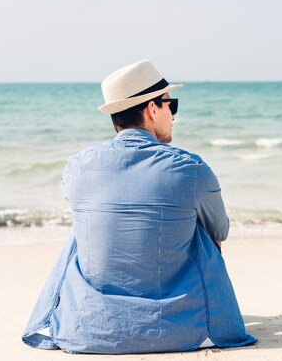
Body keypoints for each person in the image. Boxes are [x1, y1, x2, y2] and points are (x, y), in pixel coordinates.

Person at [22, 60, 256, 354]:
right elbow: (219, 232)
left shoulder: (78, 167)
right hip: (185, 331)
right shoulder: (190, 168)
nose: (174, 115)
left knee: (85, 229)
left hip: (91, 329)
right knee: (200, 226)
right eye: (172, 105)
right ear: (152, 109)